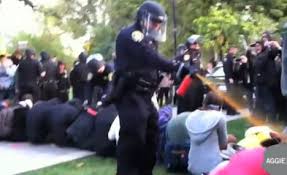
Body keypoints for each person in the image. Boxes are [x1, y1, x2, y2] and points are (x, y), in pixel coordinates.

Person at [110, 1, 185, 175]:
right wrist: (174, 66)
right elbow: (149, 57)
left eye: (160, 23)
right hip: (130, 95)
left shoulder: (149, 40)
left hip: (145, 97)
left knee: (152, 136)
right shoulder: (131, 35)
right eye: (154, 22)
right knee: (133, 141)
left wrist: (164, 75)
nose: (157, 26)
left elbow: (150, 65)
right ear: (143, 19)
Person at [176, 34, 205, 114]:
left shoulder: (198, 54)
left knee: (197, 105)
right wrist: (192, 70)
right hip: (189, 84)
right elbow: (186, 66)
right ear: (190, 44)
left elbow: (200, 67)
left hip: (197, 84)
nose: (197, 45)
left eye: (197, 43)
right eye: (195, 43)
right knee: (187, 107)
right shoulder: (187, 54)